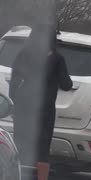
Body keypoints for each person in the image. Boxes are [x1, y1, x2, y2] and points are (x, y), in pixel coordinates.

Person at [9, 24, 73, 180]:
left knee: (20, 145)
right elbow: (67, 85)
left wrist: (13, 104)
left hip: (23, 108)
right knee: (43, 150)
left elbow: (14, 81)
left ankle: (16, 175)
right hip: (45, 111)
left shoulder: (24, 54)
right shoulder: (57, 59)